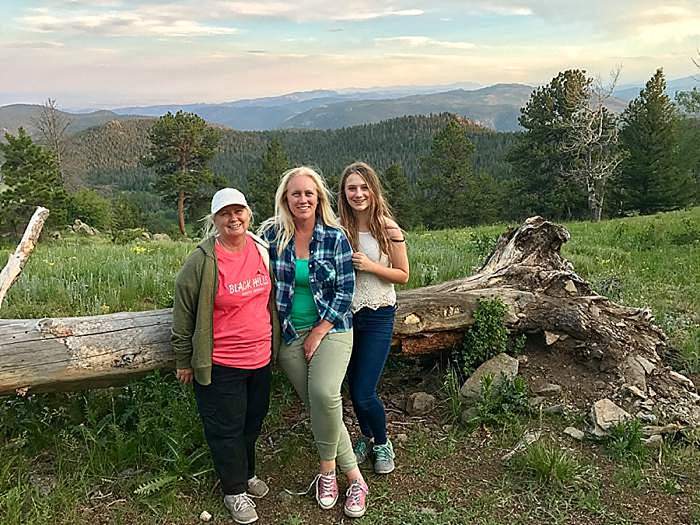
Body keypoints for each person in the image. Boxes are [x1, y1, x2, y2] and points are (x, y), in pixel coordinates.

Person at [259, 166, 369, 518]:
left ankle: (330, 472)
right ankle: (356, 478)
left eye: (309, 193)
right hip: (291, 333)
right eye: (296, 194)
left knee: (324, 394)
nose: (303, 199)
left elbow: (345, 290)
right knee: (318, 406)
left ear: (319, 197)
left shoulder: (334, 237)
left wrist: (321, 329)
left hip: (333, 328)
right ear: (285, 200)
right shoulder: (274, 236)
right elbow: (242, 251)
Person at [171, 188, 279, 525]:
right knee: (226, 428)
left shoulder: (261, 250)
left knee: (252, 421)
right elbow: (184, 311)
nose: (233, 219)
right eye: (225, 214)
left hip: (260, 358)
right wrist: (183, 359)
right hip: (222, 363)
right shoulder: (202, 261)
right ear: (215, 219)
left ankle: (246, 474)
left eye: (239, 212)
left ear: (249, 214)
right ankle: (234, 491)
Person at [338, 162, 409, 475]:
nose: (358, 193)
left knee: (365, 390)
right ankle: (365, 436)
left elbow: (403, 274)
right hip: (345, 317)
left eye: (364, 187)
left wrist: (370, 265)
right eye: (352, 188)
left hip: (379, 313)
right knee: (354, 387)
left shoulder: (388, 229)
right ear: (344, 192)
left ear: (373, 190)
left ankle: (382, 441)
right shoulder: (339, 229)